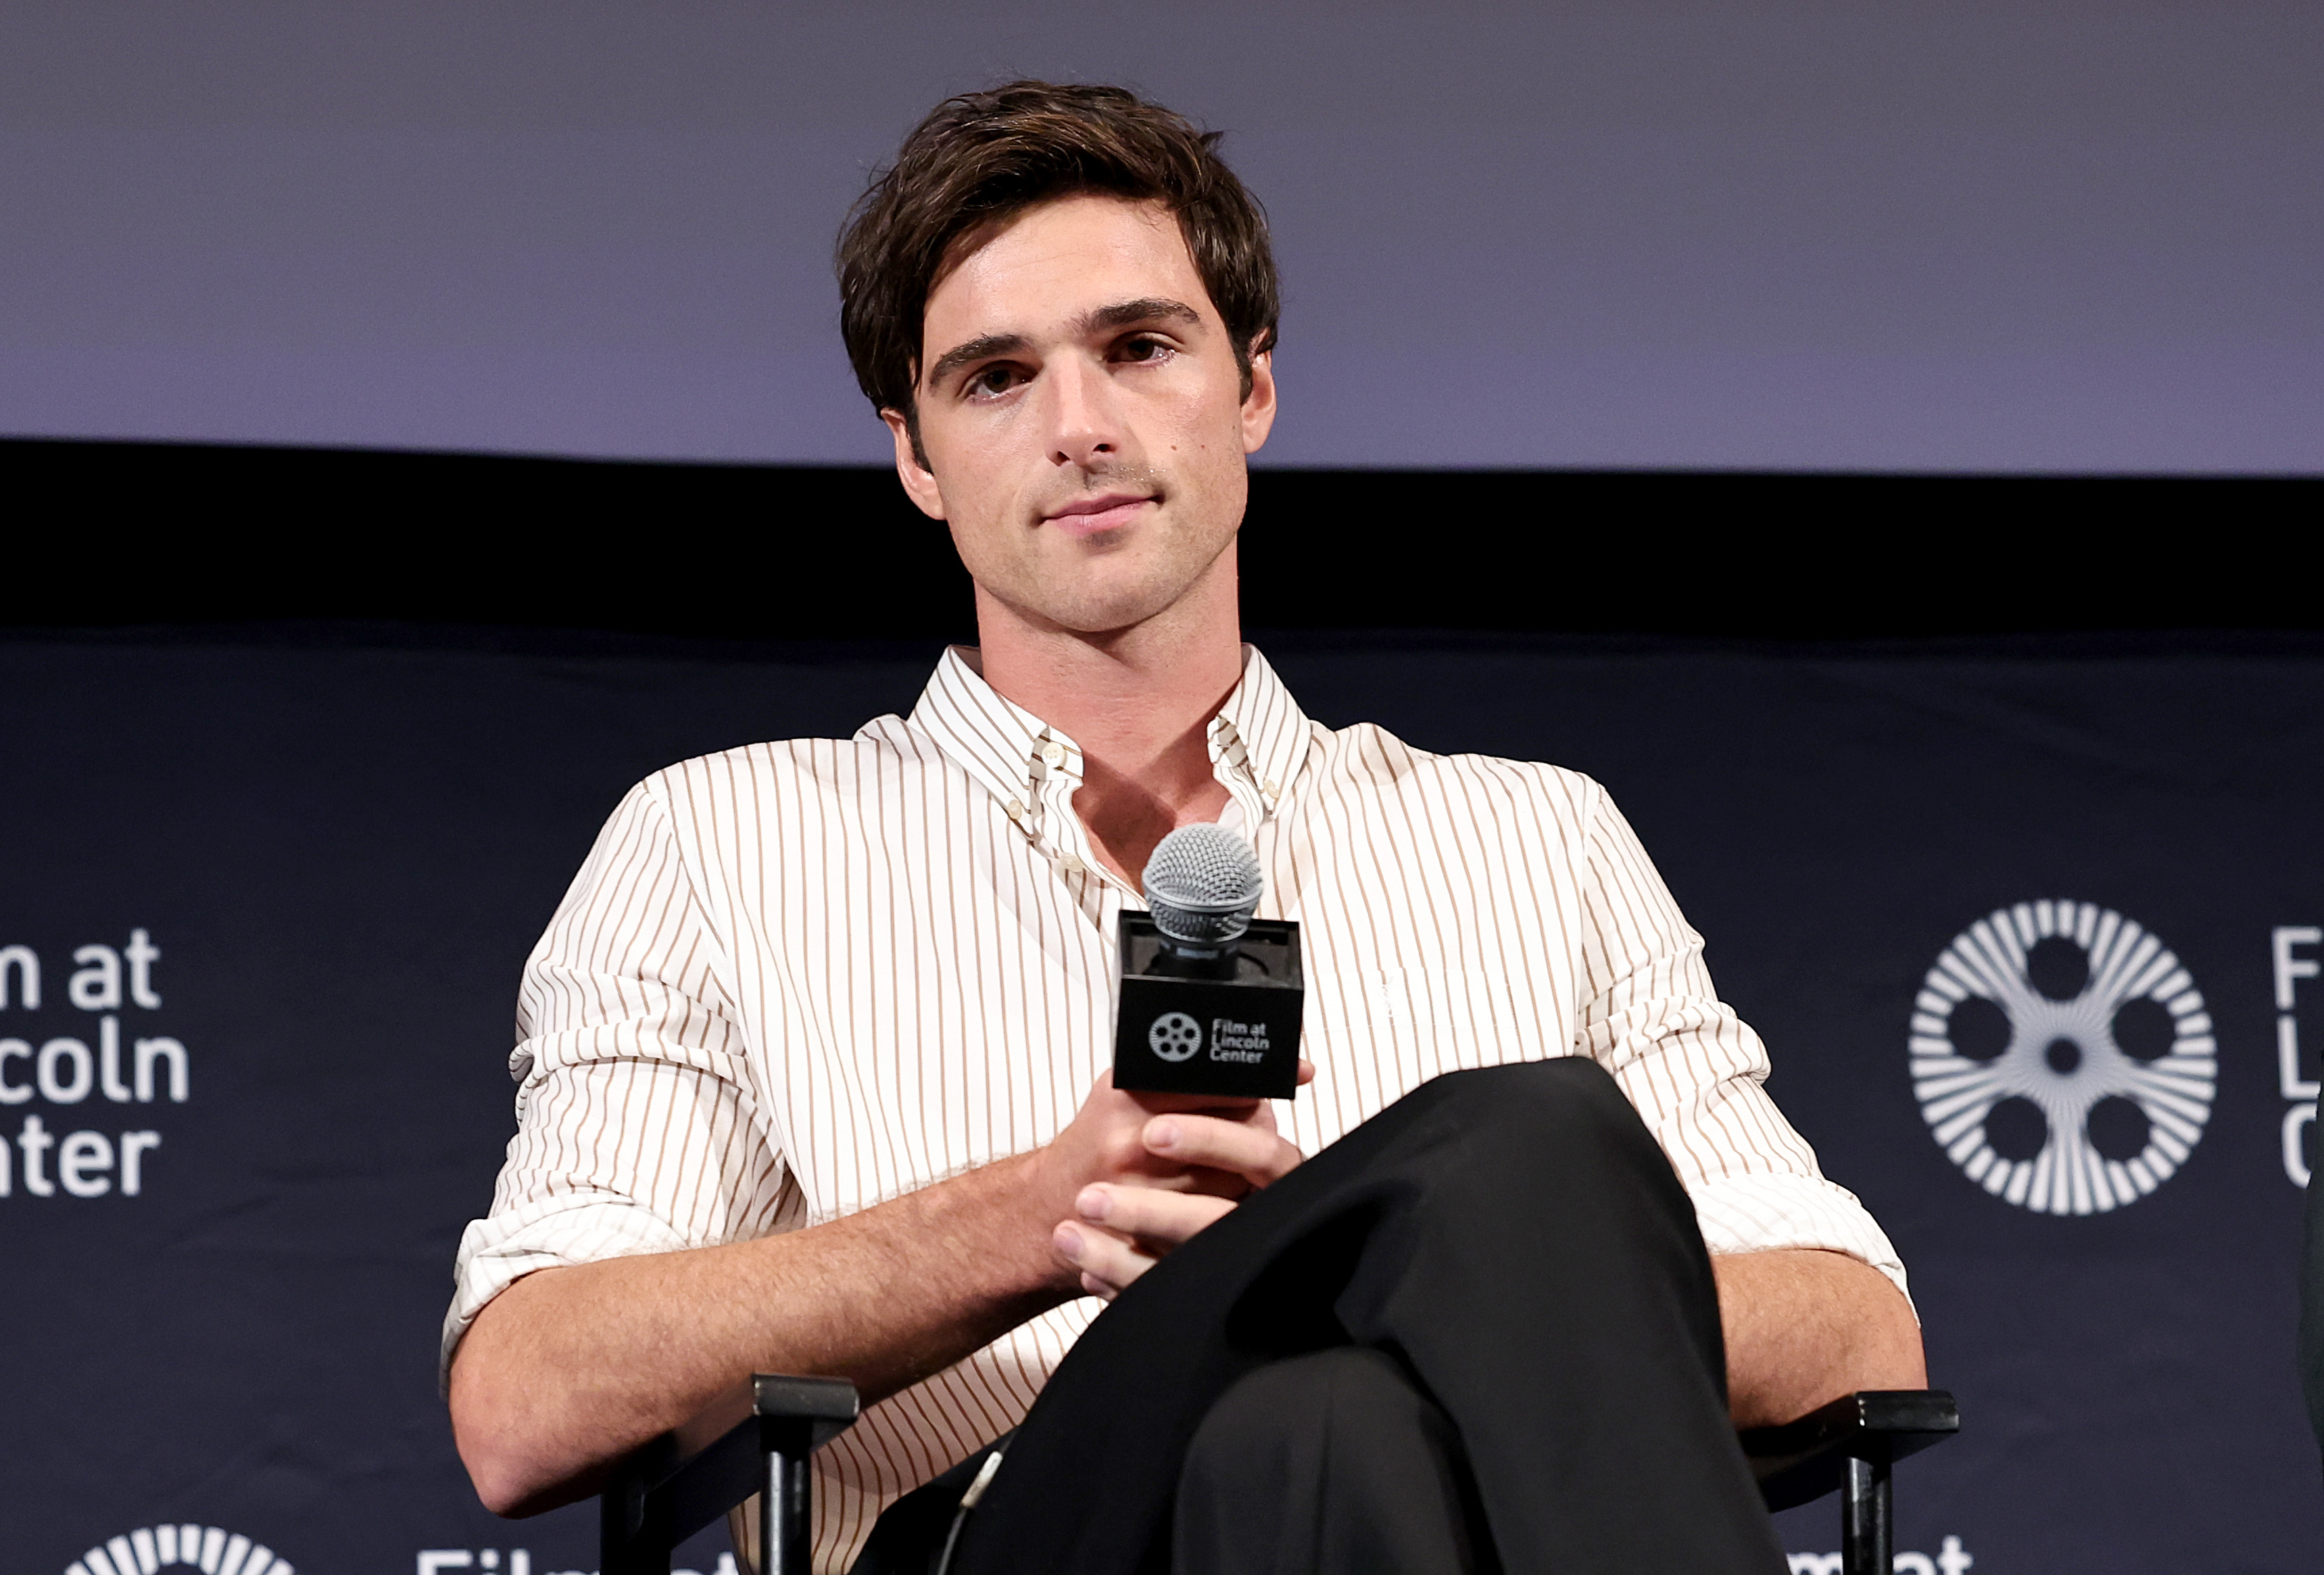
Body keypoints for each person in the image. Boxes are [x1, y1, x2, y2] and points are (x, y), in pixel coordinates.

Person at [443, 81, 1926, 1573]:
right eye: (996, 378)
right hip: (997, 1535)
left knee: (1330, 1425)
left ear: (1252, 390)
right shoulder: (719, 838)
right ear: (915, 458)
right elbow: (523, 1402)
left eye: (1139, 349)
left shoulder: (1540, 838)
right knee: (1515, 1147)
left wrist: (1397, 1274)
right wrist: (1044, 1216)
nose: (1080, 427)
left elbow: (1858, 1333)